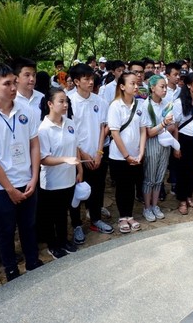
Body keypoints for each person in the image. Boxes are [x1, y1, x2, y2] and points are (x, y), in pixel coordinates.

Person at [0, 63, 43, 281]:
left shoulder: (27, 110)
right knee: (5, 229)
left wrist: (34, 176)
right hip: (0, 187)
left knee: (29, 225)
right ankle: (11, 269)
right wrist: (9, 188)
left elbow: (34, 144)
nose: (13, 87)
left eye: (14, 82)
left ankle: (33, 262)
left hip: (27, 180)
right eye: (7, 84)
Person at [69, 63, 114, 240]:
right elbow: (69, 132)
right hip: (77, 156)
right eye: (86, 79)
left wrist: (98, 152)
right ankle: (76, 225)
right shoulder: (68, 101)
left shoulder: (100, 101)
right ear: (76, 81)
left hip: (97, 154)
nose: (90, 81)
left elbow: (103, 128)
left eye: (91, 78)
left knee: (97, 188)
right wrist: (82, 154)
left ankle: (95, 219)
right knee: (76, 192)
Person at [38, 88, 81, 259]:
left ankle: (63, 240)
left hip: (69, 178)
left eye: (67, 101)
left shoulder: (69, 123)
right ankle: (52, 244)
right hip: (51, 181)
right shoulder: (44, 129)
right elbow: (43, 158)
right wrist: (64, 160)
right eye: (61, 101)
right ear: (50, 104)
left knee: (63, 212)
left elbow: (75, 147)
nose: (65, 105)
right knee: (51, 215)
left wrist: (80, 170)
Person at [107, 72, 146, 233]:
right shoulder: (115, 106)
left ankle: (129, 215)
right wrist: (126, 156)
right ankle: (122, 217)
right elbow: (115, 133)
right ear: (122, 86)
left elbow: (143, 130)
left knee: (131, 186)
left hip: (136, 155)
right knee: (122, 186)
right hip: (119, 156)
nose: (136, 86)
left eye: (137, 83)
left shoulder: (140, 105)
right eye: (132, 84)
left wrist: (141, 152)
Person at [172, 72, 193, 215]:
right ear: (188, 85)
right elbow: (175, 125)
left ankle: (189, 197)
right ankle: (181, 199)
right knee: (182, 170)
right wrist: (176, 146)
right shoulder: (179, 102)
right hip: (183, 140)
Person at [140, 75, 173, 221]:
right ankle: (147, 207)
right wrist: (164, 124)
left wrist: (168, 127)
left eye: (165, 86)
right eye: (162, 86)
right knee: (149, 178)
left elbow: (173, 125)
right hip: (151, 144)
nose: (165, 89)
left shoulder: (167, 104)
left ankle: (155, 205)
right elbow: (149, 133)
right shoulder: (145, 106)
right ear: (152, 88)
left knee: (160, 177)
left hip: (165, 143)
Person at [10, 57, 45, 130]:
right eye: (27, 75)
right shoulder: (11, 100)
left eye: (34, 75)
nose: (32, 79)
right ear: (16, 78)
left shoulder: (42, 97)